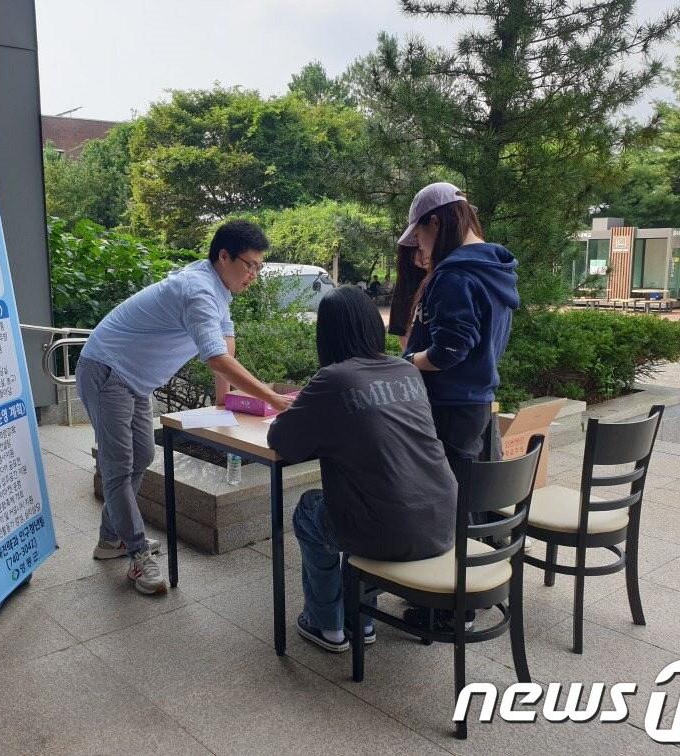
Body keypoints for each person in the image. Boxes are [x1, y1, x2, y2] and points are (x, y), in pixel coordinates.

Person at [76, 220, 294, 595]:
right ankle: (137, 551)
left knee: (142, 454)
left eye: (259, 267)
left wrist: (226, 402)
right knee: (118, 467)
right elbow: (215, 359)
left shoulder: (217, 289)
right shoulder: (197, 291)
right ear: (223, 256)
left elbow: (225, 346)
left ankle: (111, 539)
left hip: (133, 381)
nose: (254, 276)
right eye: (249, 265)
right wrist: (272, 399)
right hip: (106, 369)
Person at [267, 285, 457, 652]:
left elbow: (283, 442)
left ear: (327, 334)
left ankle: (327, 625)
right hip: (441, 518)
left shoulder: (333, 379)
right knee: (377, 498)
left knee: (310, 511)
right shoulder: (406, 371)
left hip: (389, 530)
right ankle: (362, 620)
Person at [398, 181, 519, 630]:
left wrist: (407, 362)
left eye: (421, 235)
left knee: (447, 503)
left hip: (449, 404)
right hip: (477, 400)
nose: (421, 247)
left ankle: (455, 609)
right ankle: (470, 592)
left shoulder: (455, 274)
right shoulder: (495, 267)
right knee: (468, 499)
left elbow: (451, 349)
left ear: (436, 221)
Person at [387, 238, 426, 352]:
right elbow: (403, 334)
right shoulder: (406, 285)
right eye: (417, 249)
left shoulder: (446, 278)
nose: (423, 253)